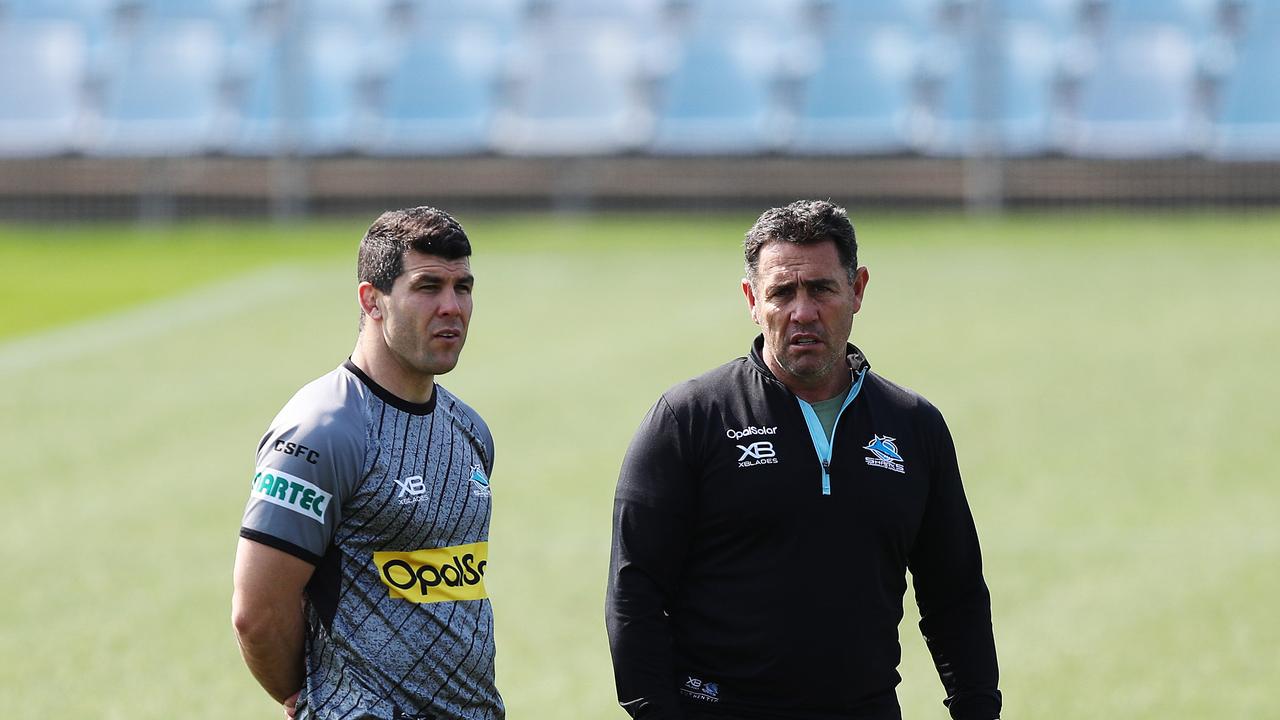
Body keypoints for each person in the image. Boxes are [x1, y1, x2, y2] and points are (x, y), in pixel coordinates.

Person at [606, 200, 1000, 720]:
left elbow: (956, 596)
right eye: (782, 293)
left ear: (857, 290)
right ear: (752, 299)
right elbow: (634, 594)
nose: (803, 312)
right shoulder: (687, 419)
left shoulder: (913, 425)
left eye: (821, 289)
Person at [232, 206, 503, 720]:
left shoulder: (469, 430)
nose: (452, 307)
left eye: (463, 287)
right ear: (371, 300)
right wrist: (310, 696)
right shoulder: (323, 429)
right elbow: (257, 612)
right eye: (427, 287)